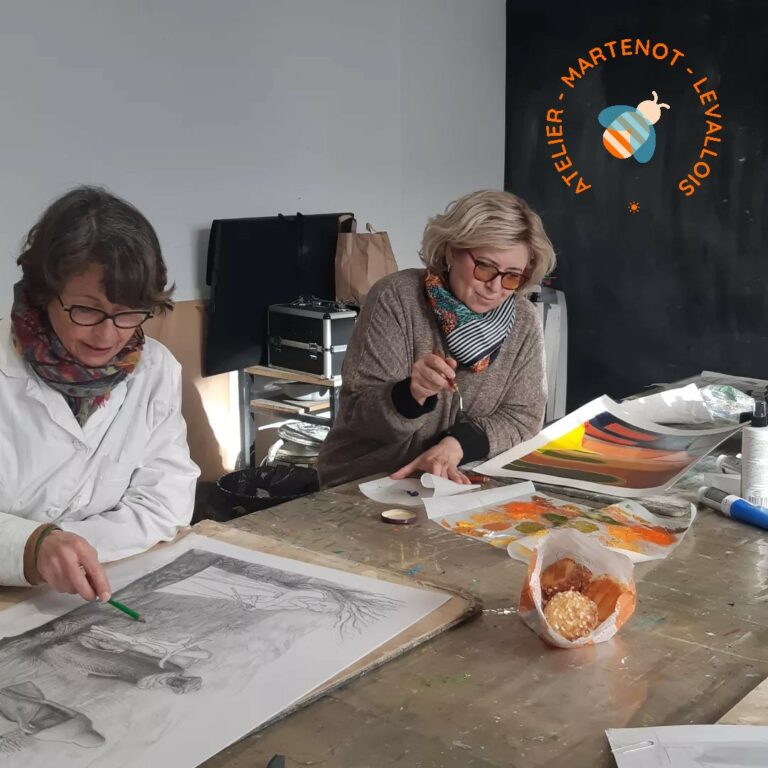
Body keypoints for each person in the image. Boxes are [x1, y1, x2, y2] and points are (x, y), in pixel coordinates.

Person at [0, 186, 200, 598]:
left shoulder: (154, 369)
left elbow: (164, 504)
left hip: (92, 588)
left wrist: (65, 548)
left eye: (127, 313)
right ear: (44, 293)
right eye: (87, 309)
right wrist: (28, 547)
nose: (108, 335)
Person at [318, 189, 555, 487]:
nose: (495, 287)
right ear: (451, 250)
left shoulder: (523, 319)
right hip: (370, 481)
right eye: (485, 267)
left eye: (512, 276)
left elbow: (523, 417)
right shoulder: (396, 297)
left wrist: (456, 446)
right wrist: (410, 395)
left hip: (457, 481)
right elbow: (357, 412)